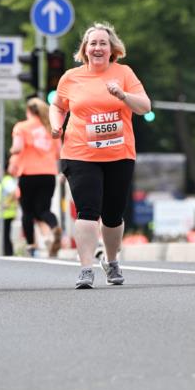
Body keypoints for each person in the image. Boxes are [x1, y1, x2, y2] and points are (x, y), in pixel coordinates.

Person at [49, 22, 151, 289]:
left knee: (113, 215)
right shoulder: (71, 77)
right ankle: (85, 269)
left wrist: (123, 94)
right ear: (84, 49)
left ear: (112, 48)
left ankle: (112, 260)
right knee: (87, 210)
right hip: (80, 153)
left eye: (102, 43)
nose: (97, 48)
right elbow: (57, 106)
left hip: (119, 153)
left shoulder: (124, 73)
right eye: (92, 43)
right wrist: (55, 125)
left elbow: (144, 106)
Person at [11, 97, 62, 257]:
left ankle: (32, 245)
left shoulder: (22, 127)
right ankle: (54, 227)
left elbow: (18, 148)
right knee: (44, 210)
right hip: (48, 173)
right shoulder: (50, 128)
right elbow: (59, 152)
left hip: (28, 173)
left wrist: (12, 151)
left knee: (27, 212)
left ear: (28, 111)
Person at [0, 158, 17, 256]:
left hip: (6, 214)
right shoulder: (1, 182)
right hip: (0, 215)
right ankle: (7, 254)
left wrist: (7, 203)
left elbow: (15, 193)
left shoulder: (6, 181)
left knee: (5, 237)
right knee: (4, 237)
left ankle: (8, 255)